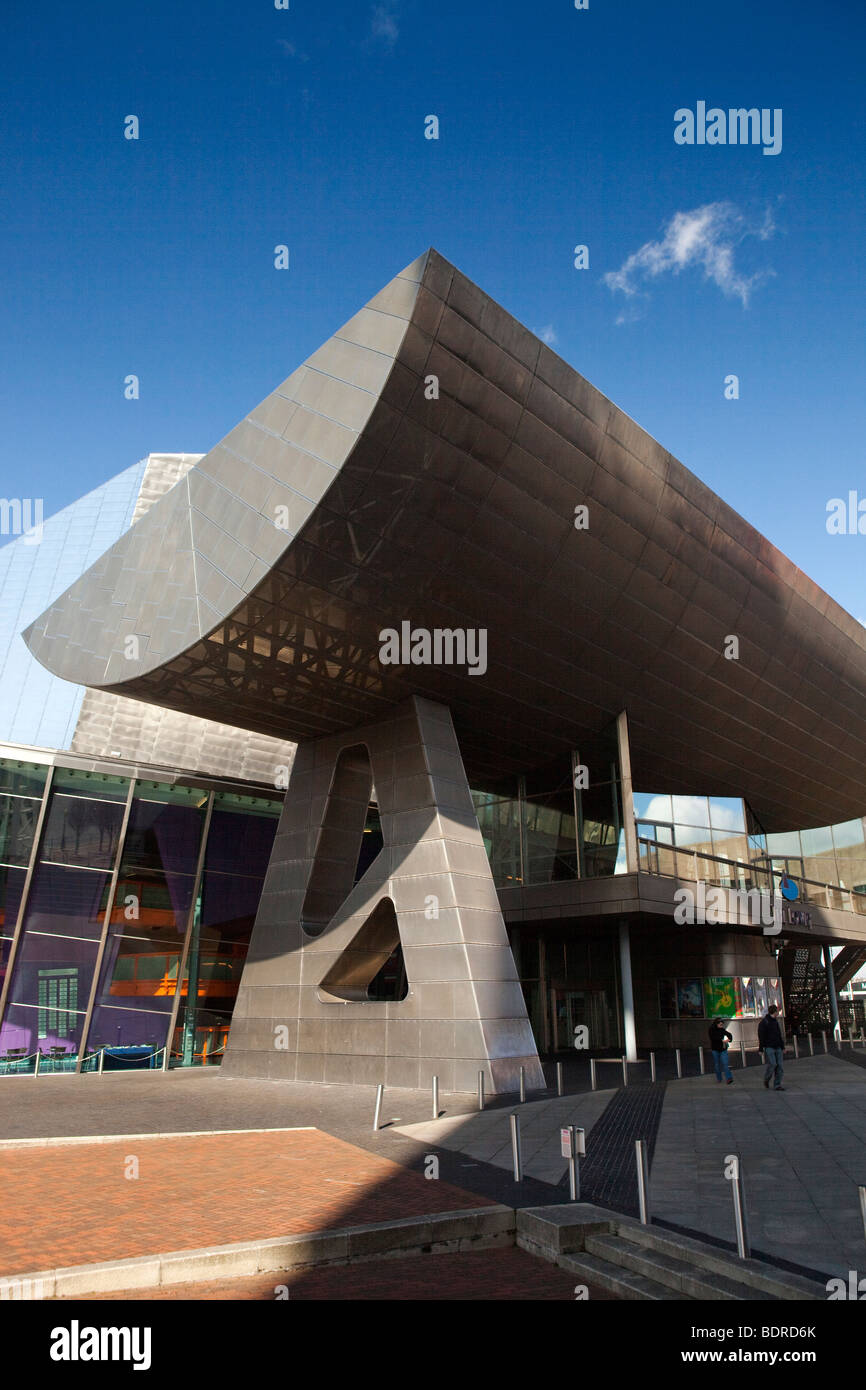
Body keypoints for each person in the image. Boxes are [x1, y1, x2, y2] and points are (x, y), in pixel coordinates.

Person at [758, 1003, 786, 1090]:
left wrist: (782, 1047)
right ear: (774, 1012)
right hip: (769, 1046)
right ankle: (767, 1078)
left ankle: (777, 1084)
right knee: (773, 1064)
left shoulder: (775, 1021)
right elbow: (761, 1036)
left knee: (780, 1066)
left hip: (777, 1046)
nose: (778, 1012)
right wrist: (761, 1048)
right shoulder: (764, 1022)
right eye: (777, 1011)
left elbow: (778, 1034)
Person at [708, 1017, 734, 1084]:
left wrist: (728, 1040)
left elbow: (729, 1035)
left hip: (723, 1049)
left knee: (725, 1063)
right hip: (715, 1049)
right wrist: (722, 1040)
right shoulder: (711, 1030)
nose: (721, 1025)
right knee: (717, 1065)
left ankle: (729, 1078)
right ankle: (719, 1078)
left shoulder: (722, 1029)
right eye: (720, 1024)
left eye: (722, 1024)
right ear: (716, 1024)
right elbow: (713, 1038)